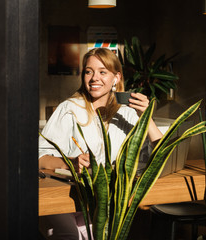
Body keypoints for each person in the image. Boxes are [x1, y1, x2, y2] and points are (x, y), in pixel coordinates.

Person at [38, 48, 163, 240]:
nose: (94, 77)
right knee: (68, 236)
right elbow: (39, 158)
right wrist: (71, 162)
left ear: (116, 77)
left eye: (102, 72)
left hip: (104, 201)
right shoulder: (69, 109)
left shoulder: (128, 113)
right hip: (64, 196)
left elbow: (161, 155)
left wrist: (147, 117)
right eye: (89, 71)